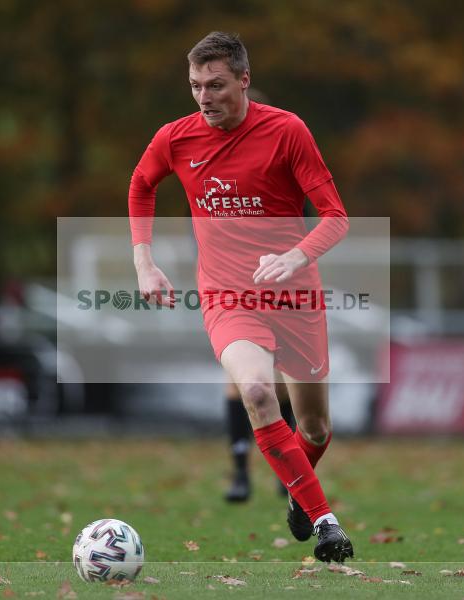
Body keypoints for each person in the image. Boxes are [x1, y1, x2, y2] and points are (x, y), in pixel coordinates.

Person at [129, 32, 352, 562]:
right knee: (254, 391)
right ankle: (327, 523)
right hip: (228, 296)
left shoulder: (287, 130)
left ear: (244, 80)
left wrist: (296, 257)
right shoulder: (175, 138)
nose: (204, 97)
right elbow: (142, 183)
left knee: (316, 427)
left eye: (216, 85)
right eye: (195, 86)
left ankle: (301, 495)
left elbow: (336, 218)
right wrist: (145, 262)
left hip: (296, 298)